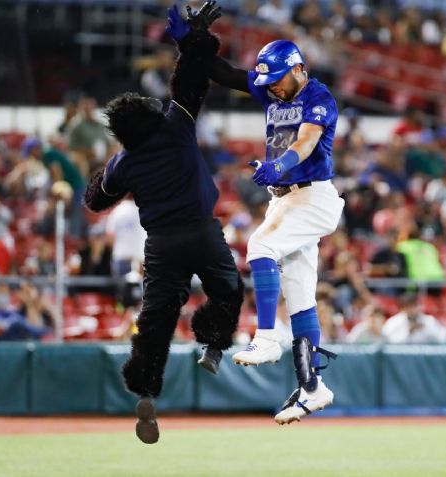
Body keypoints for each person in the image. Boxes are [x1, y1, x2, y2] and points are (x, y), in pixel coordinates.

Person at [83, 2, 242, 444]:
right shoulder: (176, 124)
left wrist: (108, 173)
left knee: (156, 319)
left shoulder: (123, 162)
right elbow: (191, 75)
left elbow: (97, 200)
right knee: (228, 290)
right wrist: (193, 37)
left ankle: (147, 389)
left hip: (163, 245)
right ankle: (212, 343)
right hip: (202, 231)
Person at [204, 7, 345, 425]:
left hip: (312, 196)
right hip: (286, 199)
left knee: (260, 245)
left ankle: (266, 337)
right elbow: (227, 75)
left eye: (278, 78)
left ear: (299, 69)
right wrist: (192, 44)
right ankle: (313, 388)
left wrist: (280, 165)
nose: (273, 88)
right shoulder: (274, 88)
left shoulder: (317, 96)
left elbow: (305, 142)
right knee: (300, 295)